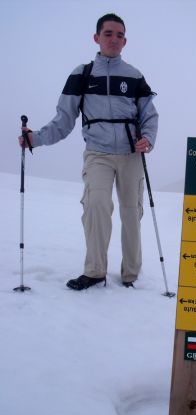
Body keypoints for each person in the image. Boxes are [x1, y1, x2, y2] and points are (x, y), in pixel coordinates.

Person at [19, 13, 159, 290]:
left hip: (131, 154)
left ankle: (131, 273)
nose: (114, 39)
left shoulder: (134, 75)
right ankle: (95, 271)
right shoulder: (81, 75)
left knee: (132, 212)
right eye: (108, 33)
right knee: (96, 205)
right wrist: (34, 139)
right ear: (97, 38)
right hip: (98, 153)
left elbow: (149, 116)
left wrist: (148, 138)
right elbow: (64, 119)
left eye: (119, 35)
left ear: (125, 41)